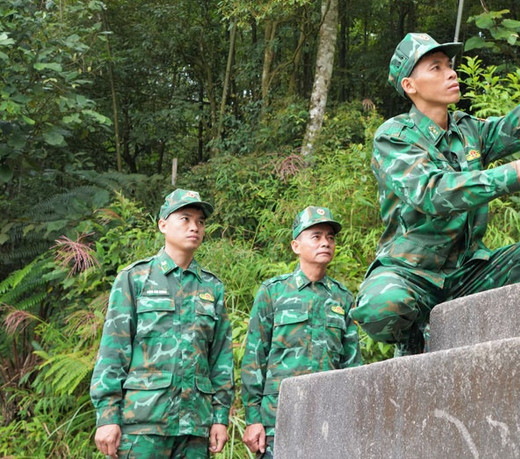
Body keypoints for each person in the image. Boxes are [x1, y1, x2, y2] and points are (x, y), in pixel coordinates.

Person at [350, 32, 520, 355]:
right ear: (409, 85)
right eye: (436, 67)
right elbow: (431, 192)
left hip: (471, 273)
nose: (450, 73)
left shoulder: (468, 129)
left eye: (450, 65)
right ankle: (417, 340)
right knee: (382, 307)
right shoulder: (393, 137)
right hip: (412, 275)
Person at [90, 189, 233, 459]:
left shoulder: (211, 287)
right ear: (163, 225)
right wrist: (107, 416)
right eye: (185, 218)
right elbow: (113, 349)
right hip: (142, 424)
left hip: (195, 426)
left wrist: (220, 417)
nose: (194, 227)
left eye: (200, 221)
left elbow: (221, 358)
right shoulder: (135, 278)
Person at [241, 206, 361, 458]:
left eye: (330, 237)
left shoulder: (342, 298)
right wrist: (253, 419)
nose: (325, 243)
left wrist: (352, 417)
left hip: (329, 418)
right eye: (316, 236)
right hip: (279, 417)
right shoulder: (273, 292)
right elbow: (254, 358)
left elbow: (352, 365)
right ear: (296, 245)